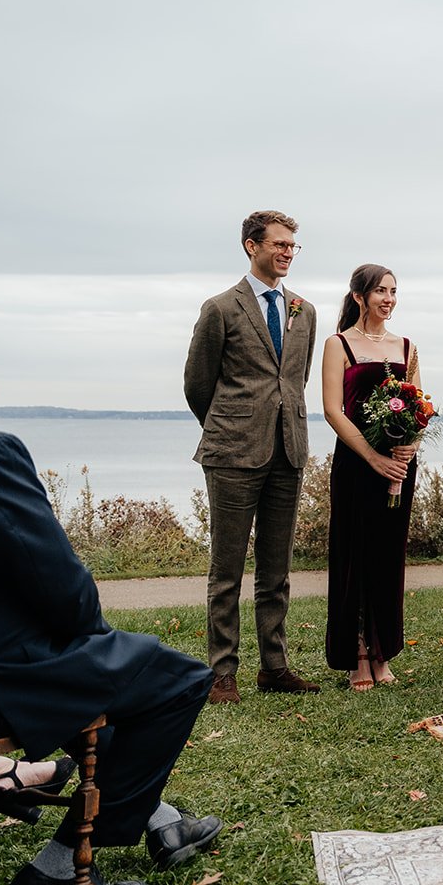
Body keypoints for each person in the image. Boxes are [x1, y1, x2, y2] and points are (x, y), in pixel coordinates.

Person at [0, 311, 221, 885]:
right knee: (172, 677)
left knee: (92, 666)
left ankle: (164, 821)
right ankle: (58, 867)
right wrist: (93, 638)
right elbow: (67, 592)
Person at [184, 209, 321, 703]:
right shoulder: (220, 308)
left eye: (292, 246)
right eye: (279, 244)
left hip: (289, 449)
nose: (286, 252)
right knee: (227, 571)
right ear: (251, 245)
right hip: (231, 453)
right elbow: (198, 384)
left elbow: (296, 379)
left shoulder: (304, 310)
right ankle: (222, 673)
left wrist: (278, 423)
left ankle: (274, 666)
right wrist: (232, 427)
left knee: (277, 568)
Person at [321, 264, 419, 692]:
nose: (389, 299)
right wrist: (372, 458)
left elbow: (420, 405)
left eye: (393, 291)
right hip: (357, 465)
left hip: (398, 466)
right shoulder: (338, 344)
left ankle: (382, 651)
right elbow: (332, 410)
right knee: (354, 557)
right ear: (359, 296)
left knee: (387, 557)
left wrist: (408, 449)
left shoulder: (407, 346)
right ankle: (357, 653)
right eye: (380, 291)